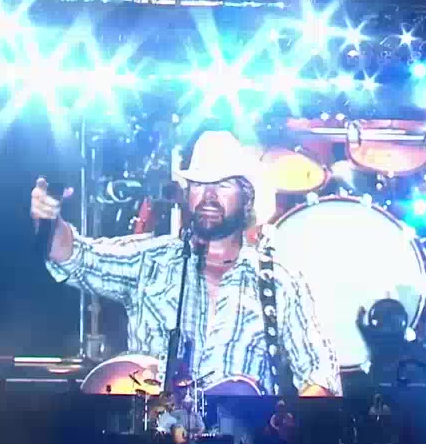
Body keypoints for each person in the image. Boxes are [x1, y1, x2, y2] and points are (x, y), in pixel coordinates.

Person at [32, 130, 340, 396]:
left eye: (223, 185)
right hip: (153, 439)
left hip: (242, 443)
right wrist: (48, 219)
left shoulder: (280, 283)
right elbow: (75, 256)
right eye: (198, 184)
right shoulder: (150, 260)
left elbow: (321, 375)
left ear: (247, 199)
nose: (209, 195)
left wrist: (286, 429)